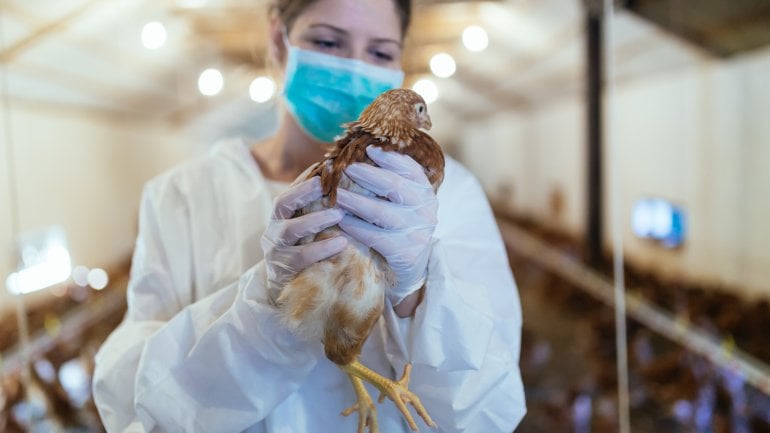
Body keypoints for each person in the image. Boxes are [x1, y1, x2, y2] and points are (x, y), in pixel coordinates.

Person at [91, 0, 526, 431]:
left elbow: (492, 413)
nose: (356, 68)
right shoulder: (182, 196)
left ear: (400, 60)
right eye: (327, 41)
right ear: (279, 40)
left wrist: (417, 295)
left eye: (380, 52)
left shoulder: (452, 193)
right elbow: (133, 404)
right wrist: (264, 306)